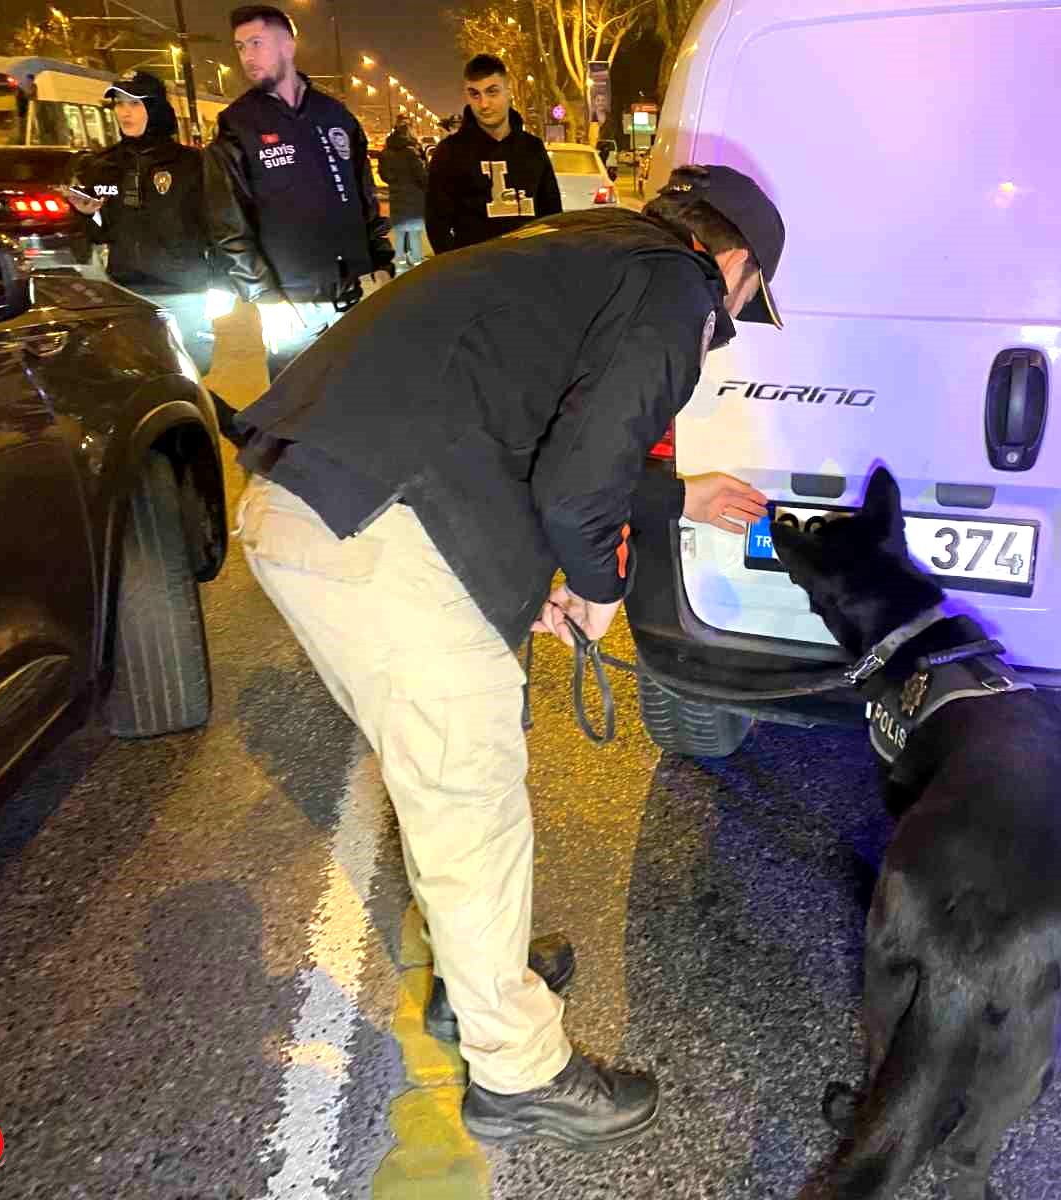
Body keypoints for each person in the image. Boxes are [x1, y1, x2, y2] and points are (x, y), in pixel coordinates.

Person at [228, 164, 784, 1150]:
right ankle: (517, 1073)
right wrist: (597, 592)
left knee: (449, 774)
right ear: (733, 262)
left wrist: (674, 499)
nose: (728, 321)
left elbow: (532, 433)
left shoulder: (583, 247)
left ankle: (472, 985)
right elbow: (575, 488)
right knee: (467, 792)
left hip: (322, 497)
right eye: (742, 306)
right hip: (379, 522)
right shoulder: (677, 286)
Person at [205, 4, 394, 381]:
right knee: (296, 416)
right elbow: (229, 224)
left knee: (364, 403)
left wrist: (383, 265)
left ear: (288, 45)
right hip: (293, 308)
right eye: (240, 47)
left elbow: (365, 200)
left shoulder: (336, 116)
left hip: (358, 293)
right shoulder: (237, 126)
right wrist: (264, 297)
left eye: (256, 43)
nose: (247, 56)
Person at [65, 71, 220, 381]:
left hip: (183, 293)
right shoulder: (101, 166)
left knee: (189, 375)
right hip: (128, 293)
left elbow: (217, 225)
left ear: (156, 108)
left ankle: (229, 426)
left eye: (135, 104)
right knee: (140, 380)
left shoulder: (192, 164)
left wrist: (221, 280)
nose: (124, 112)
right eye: (119, 104)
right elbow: (95, 235)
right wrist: (87, 215)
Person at [425, 54, 560, 254]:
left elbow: (552, 215)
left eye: (492, 92)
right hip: (475, 277)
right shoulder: (449, 153)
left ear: (508, 90)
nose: (484, 104)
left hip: (530, 273)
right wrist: (459, 272)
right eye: (475, 94)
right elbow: (437, 225)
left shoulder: (533, 148)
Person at [377, 121, 429, 271]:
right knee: (413, 232)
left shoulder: (385, 153)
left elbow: (384, 176)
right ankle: (416, 260)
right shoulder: (410, 153)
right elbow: (422, 176)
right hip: (413, 198)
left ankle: (399, 261)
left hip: (396, 197)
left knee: (400, 232)